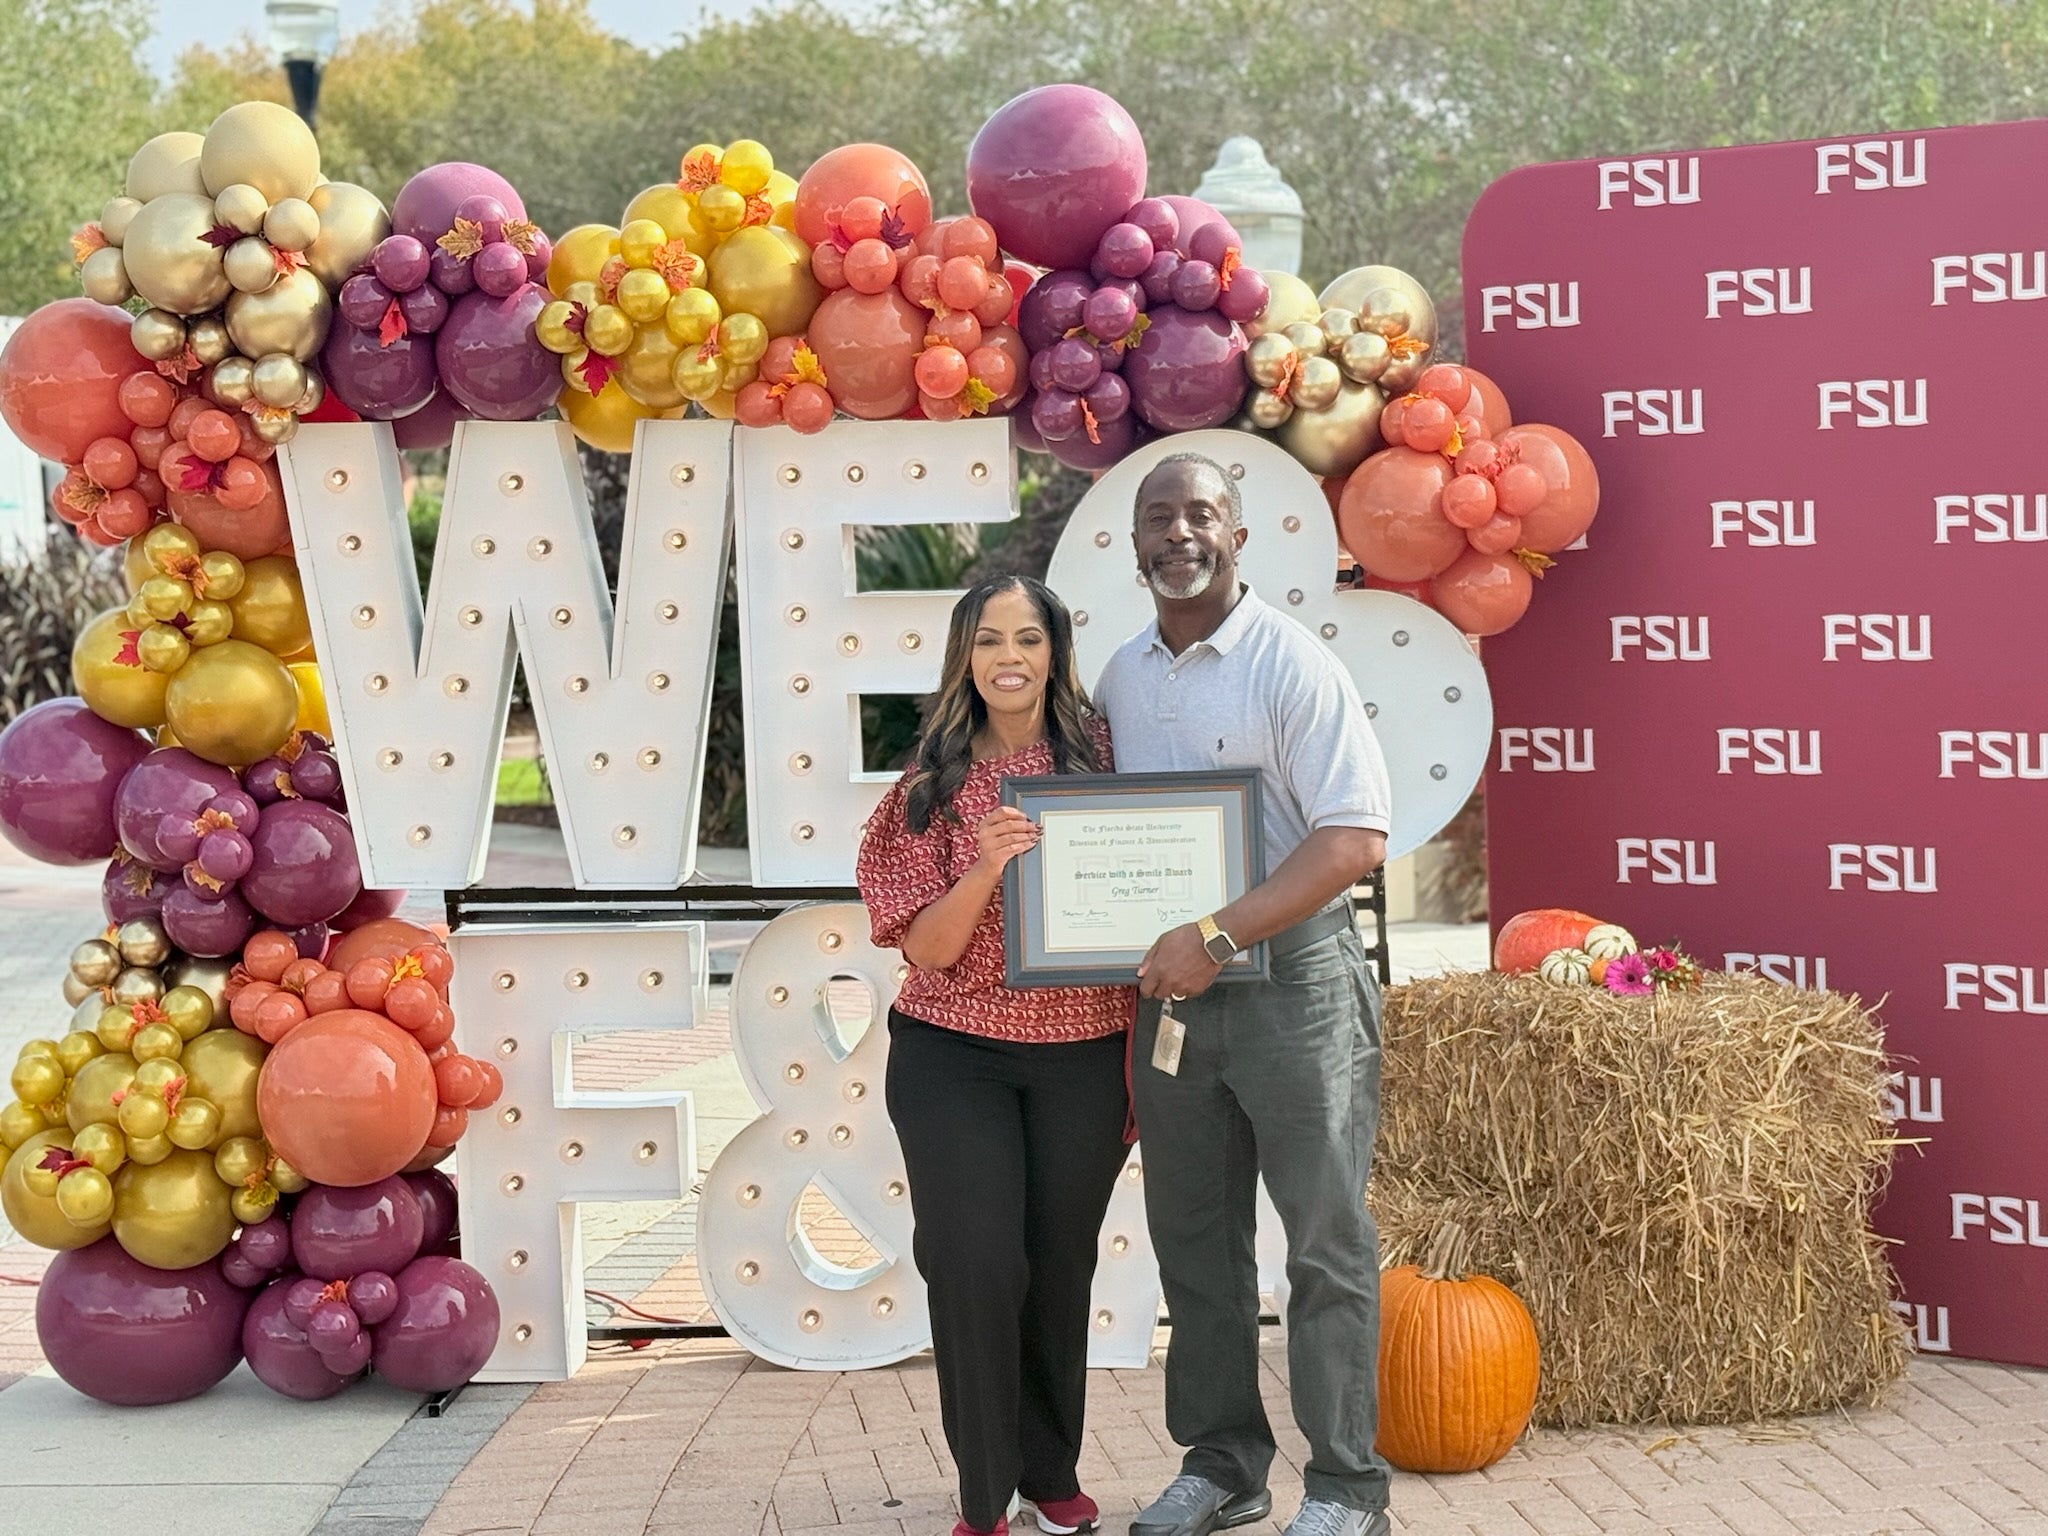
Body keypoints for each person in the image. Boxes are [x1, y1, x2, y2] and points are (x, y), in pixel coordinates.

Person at [1093, 454, 1395, 1536]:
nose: (1180, 534)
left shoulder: (1289, 663)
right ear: (1131, 545)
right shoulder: (1122, 677)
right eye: (1158, 518)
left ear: (1238, 537)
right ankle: (1221, 1464)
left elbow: (1352, 836)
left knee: (1321, 1240)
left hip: (1294, 983)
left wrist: (1217, 934)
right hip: (1176, 996)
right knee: (1194, 1238)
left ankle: (1346, 1487)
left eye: (1201, 515)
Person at [857, 574, 1136, 1536]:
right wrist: (986, 864)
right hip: (952, 1056)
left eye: (1027, 638)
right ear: (963, 658)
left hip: (1085, 1056)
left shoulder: (1106, 768)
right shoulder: (927, 790)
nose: (1008, 658)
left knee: (1059, 1265)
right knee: (975, 1263)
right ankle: (985, 1499)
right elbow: (928, 947)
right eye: (987, 641)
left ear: (1056, 651)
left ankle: (1049, 1470)